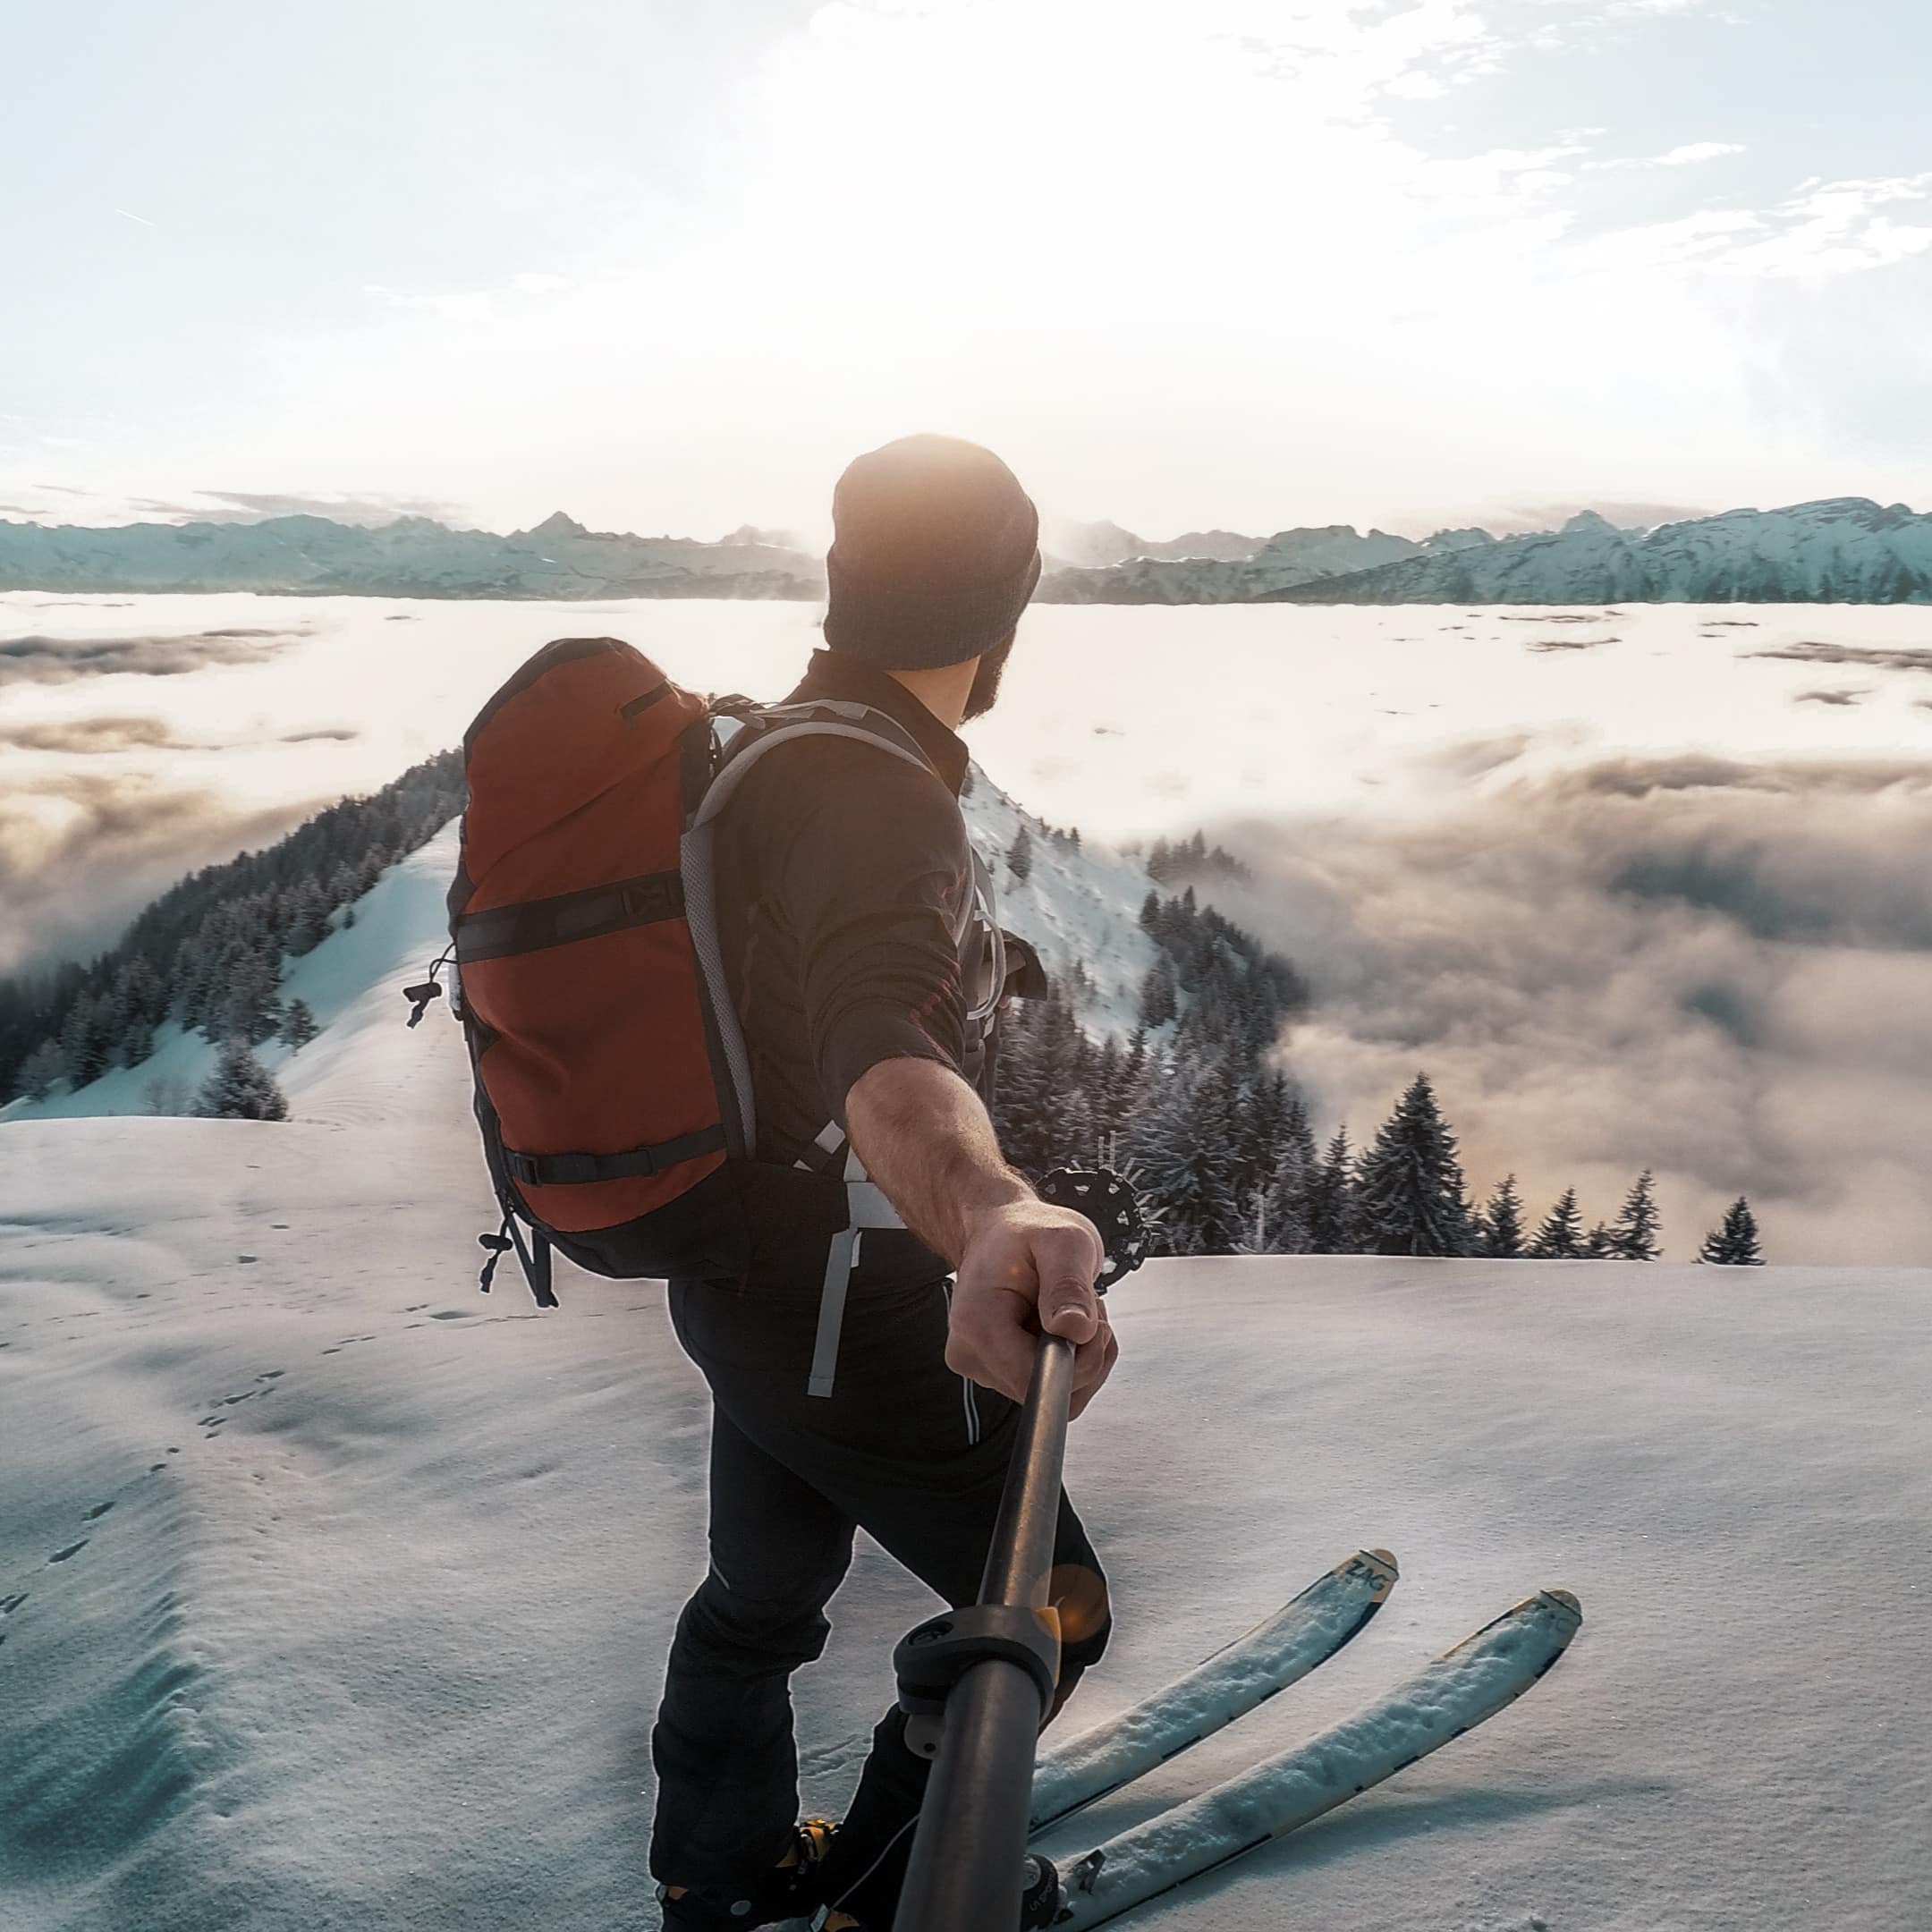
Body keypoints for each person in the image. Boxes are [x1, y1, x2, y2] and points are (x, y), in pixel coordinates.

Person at [650, 435, 1119, 1930]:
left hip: (742, 1283)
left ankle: (720, 1885)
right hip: (850, 1309)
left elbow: (814, 997)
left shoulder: (768, 751)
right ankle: (886, 1888)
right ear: (1006, 614)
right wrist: (987, 1203)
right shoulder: (875, 794)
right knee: (1047, 1606)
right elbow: (871, 1032)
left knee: (762, 1599)